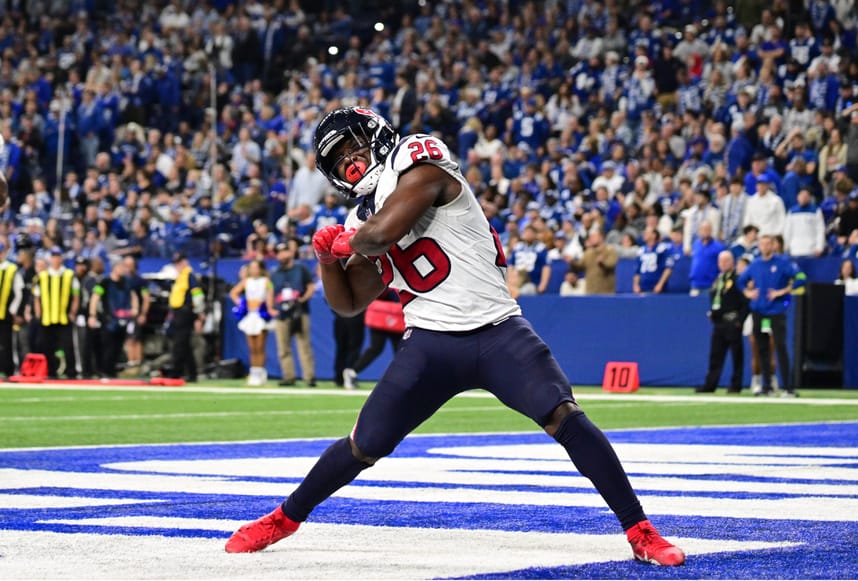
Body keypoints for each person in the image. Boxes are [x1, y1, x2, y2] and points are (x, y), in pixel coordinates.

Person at [225, 107, 685, 566]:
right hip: (431, 341)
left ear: (378, 135)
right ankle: (283, 520)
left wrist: (344, 243)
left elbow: (382, 233)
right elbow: (348, 302)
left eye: (352, 145)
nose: (350, 159)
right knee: (364, 443)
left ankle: (639, 529)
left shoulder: (419, 158)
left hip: (496, 327)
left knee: (563, 415)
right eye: (338, 157)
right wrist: (327, 260)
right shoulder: (361, 215)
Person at [738, 235, 806, 397]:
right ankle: (767, 386)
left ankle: (788, 387)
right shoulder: (755, 264)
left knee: (781, 348)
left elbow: (801, 278)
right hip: (759, 311)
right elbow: (740, 281)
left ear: (773, 246)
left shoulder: (783, 263)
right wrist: (748, 292)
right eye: (762, 244)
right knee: (761, 349)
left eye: (768, 244)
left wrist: (783, 291)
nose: (765, 247)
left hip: (776, 311)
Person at [696, 251, 749, 393]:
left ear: (732, 262)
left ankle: (735, 385)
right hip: (718, 323)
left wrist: (740, 321)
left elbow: (745, 302)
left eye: (726, 261)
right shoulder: (718, 279)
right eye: (721, 261)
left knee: (736, 355)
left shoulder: (738, 279)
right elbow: (717, 298)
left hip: (732, 321)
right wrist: (713, 313)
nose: (723, 264)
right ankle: (710, 384)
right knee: (715, 355)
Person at [270, 239, 316, 387]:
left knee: (304, 344)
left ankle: (309, 377)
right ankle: (288, 376)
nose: (282, 255)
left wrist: (302, 300)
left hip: (299, 311)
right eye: (279, 253)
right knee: (283, 347)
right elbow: (271, 291)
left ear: (290, 252)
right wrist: (271, 307)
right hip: (282, 313)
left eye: (284, 251)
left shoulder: (300, 269)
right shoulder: (275, 273)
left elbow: (310, 287)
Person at [342, 288, 405, 390]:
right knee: (376, 348)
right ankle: (352, 372)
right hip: (381, 316)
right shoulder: (384, 283)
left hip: (396, 317)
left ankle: (401, 379)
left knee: (399, 351)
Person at [32, 246, 80, 378]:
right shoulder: (42, 277)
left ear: (61, 258)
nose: (55, 259)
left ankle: (71, 372)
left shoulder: (69, 275)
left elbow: (76, 296)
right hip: (47, 317)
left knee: (68, 347)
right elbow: (37, 297)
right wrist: (38, 314)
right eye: (53, 257)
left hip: (64, 317)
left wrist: (72, 313)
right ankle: (51, 372)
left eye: (57, 256)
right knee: (47, 347)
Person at [89, 259, 138, 377]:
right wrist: (92, 315)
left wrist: (135, 309)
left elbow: (133, 296)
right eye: (121, 267)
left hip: (123, 320)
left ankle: (112, 371)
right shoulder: (104, 282)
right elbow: (95, 298)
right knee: (107, 347)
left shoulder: (126, 282)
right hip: (108, 320)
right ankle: (105, 371)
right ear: (114, 267)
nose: (123, 269)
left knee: (118, 347)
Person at [229, 258, 275, 386]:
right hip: (250, 315)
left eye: (256, 267)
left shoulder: (266, 281)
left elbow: (270, 294)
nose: (254, 270)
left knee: (260, 347)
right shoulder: (246, 281)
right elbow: (233, 292)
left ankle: (260, 371)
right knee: (252, 347)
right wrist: (241, 303)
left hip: (261, 315)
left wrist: (269, 308)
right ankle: (254, 372)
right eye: (252, 268)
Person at [166, 252, 205, 382]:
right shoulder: (180, 277)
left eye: (179, 263)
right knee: (185, 344)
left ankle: (176, 372)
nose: (177, 266)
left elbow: (197, 295)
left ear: (185, 262)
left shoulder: (189, 276)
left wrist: (199, 313)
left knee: (180, 343)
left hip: (185, 312)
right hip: (178, 313)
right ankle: (192, 373)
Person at [0, 240, 25, 377]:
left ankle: (8, 370)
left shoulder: (11, 269)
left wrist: (13, 310)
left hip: (5, 313)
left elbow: (18, 292)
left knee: (7, 344)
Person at [123, 256, 151, 371]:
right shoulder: (122, 280)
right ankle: (131, 363)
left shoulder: (139, 281)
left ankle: (136, 364)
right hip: (124, 314)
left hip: (136, 314)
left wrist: (143, 314)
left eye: (130, 265)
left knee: (135, 339)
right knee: (128, 339)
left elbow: (146, 298)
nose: (128, 268)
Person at [569, 229, 618, 295]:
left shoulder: (610, 251)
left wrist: (602, 263)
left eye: (593, 237)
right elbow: (580, 266)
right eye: (590, 237)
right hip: (590, 292)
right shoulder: (588, 252)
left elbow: (611, 264)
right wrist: (572, 261)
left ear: (601, 237)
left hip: (606, 293)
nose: (591, 239)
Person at [632, 227, 673, 294]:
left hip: (658, 288)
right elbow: (637, 271)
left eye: (647, 233)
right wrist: (636, 285)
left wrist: (660, 284)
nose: (644, 234)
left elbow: (668, 268)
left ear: (654, 235)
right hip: (643, 288)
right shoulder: (641, 250)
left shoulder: (662, 248)